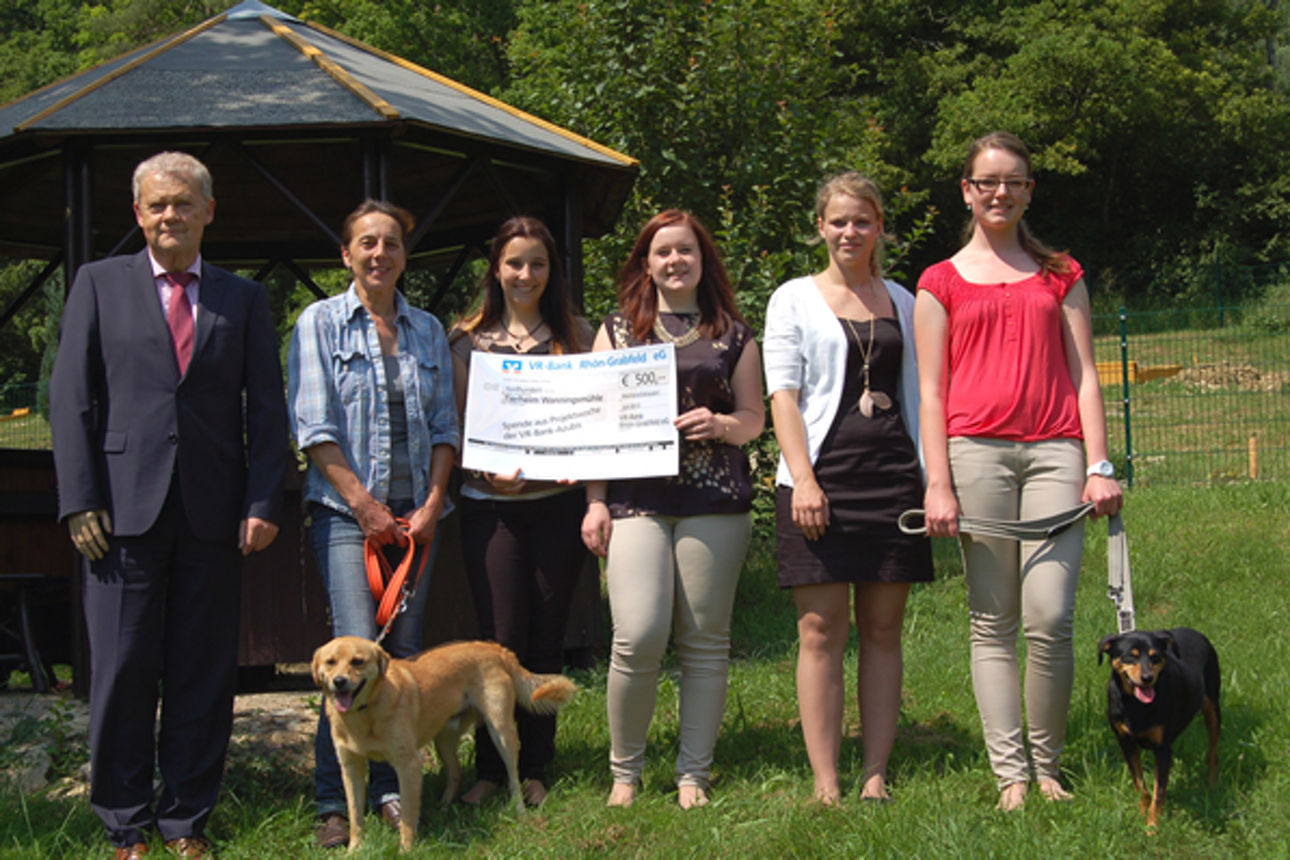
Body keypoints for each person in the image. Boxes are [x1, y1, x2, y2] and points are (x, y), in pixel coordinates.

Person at [49, 151, 289, 859]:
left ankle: (186, 820)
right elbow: (71, 399)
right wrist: (78, 498)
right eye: (156, 205)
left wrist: (263, 497)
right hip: (118, 515)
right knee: (122, 671)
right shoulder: (97, 284)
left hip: (215, 515)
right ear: (137, 213)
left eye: (183, 203)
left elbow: (267, 410)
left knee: (202, 674)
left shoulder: (242, 299)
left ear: (208, 211)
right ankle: (125, 824)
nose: (169, 216)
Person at [914, 131, 1123, 811]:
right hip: (974, 455)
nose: (1000, 192)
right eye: (987, 181)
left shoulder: (1060, 272)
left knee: (1050, 616)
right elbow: (933, 393)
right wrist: (938, 482)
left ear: (1030, 190)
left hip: (1057, 453)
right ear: (967, 191)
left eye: (1014, 181)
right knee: (992, 619)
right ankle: (1012, 775)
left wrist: (1098, 464)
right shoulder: (937, 282)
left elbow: (1086, 375)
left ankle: (1049, 764)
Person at [287, 200, 458, 848]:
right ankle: (334, 800)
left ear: (403, 255)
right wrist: (362, 504)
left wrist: (433, 504)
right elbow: (314, 426)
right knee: (351, 652)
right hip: (346, 516)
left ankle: (390, 789)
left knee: (399, 660)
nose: (379, 253)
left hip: (416, 523)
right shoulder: (320, 323)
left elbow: (446, 427)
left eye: (390, 243)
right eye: (366, 242)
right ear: (346, 254)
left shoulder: (428, 329)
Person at [580, 210, 765, 809]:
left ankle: (693, 774)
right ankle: (624, 775)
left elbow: (755, 420)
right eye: (662, 252)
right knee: (636, 634)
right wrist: (596, 501)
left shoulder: (734, 333)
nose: (675, 261)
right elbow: (595, 425)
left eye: (686, 250)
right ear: (645, 263)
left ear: (703, 259)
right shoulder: (615, 330)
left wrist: (722, 422)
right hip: (636, 501)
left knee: (705, 641)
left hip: (715, 500)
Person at [763, 173, 932, 805]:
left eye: (862, 221)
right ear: (820, 228)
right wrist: (803, 478)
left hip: (894, 482)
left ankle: (876, 774)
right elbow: (782, 395)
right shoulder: (793, 300)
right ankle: (826, 780)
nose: (849, 232)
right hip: (818, 486)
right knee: (819, 630)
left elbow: (924, 392)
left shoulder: (906, 301)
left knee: (883, 630)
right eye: (838, 221)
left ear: (880, 226)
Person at [449, 216, 594, 807]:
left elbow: (596, 418)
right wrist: (484, 472)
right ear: (495, 269)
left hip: (559, 507)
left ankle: (535, 767)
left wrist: (581, 463)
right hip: (491, 511)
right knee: (497, 642)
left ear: (551, 270)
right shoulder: (463, 338)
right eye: (514, 263)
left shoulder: (580, 335)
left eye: (537, 263)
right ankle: (490, 769)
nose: (525, 274)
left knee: (545, 638)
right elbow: (454, 426)